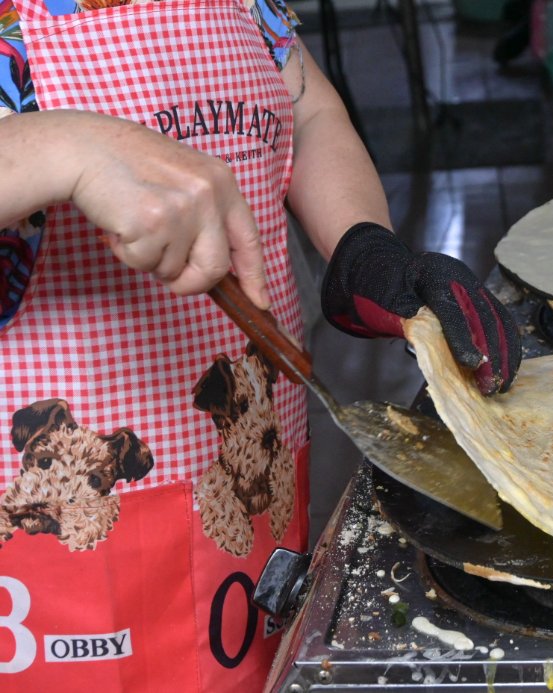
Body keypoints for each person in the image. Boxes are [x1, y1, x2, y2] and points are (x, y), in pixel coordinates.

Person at [0, 0, 521, 689]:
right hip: (58, 554)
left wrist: (360, 246)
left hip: (245, 506)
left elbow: (305, 113)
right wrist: (64, 147)